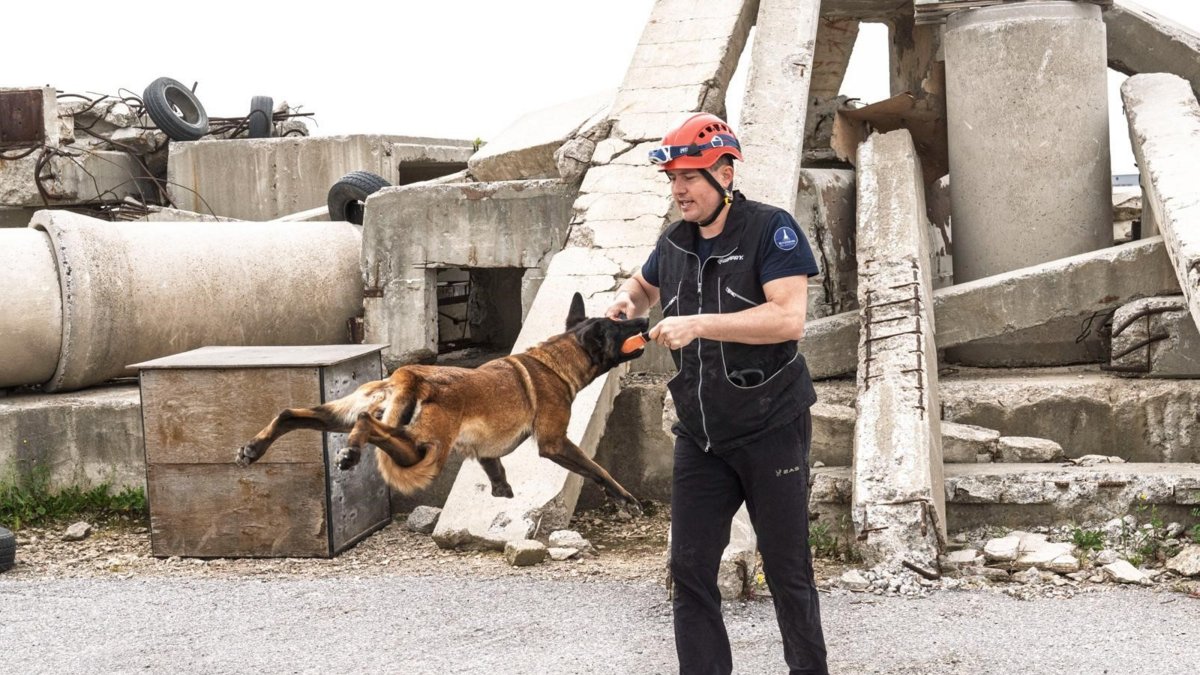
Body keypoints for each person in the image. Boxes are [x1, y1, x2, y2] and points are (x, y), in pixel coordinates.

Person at [606, 113, 828, 675]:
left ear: (725, 173)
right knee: (689, 570)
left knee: (787, 569)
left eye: (691, 176)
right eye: (673, 178)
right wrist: (625, 305)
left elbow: (788, 319)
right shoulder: (674, 243)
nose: (679, 189)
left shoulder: (770, 229)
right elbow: (642, 286)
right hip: (701, 435)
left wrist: (700, 323)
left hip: (770, 428)